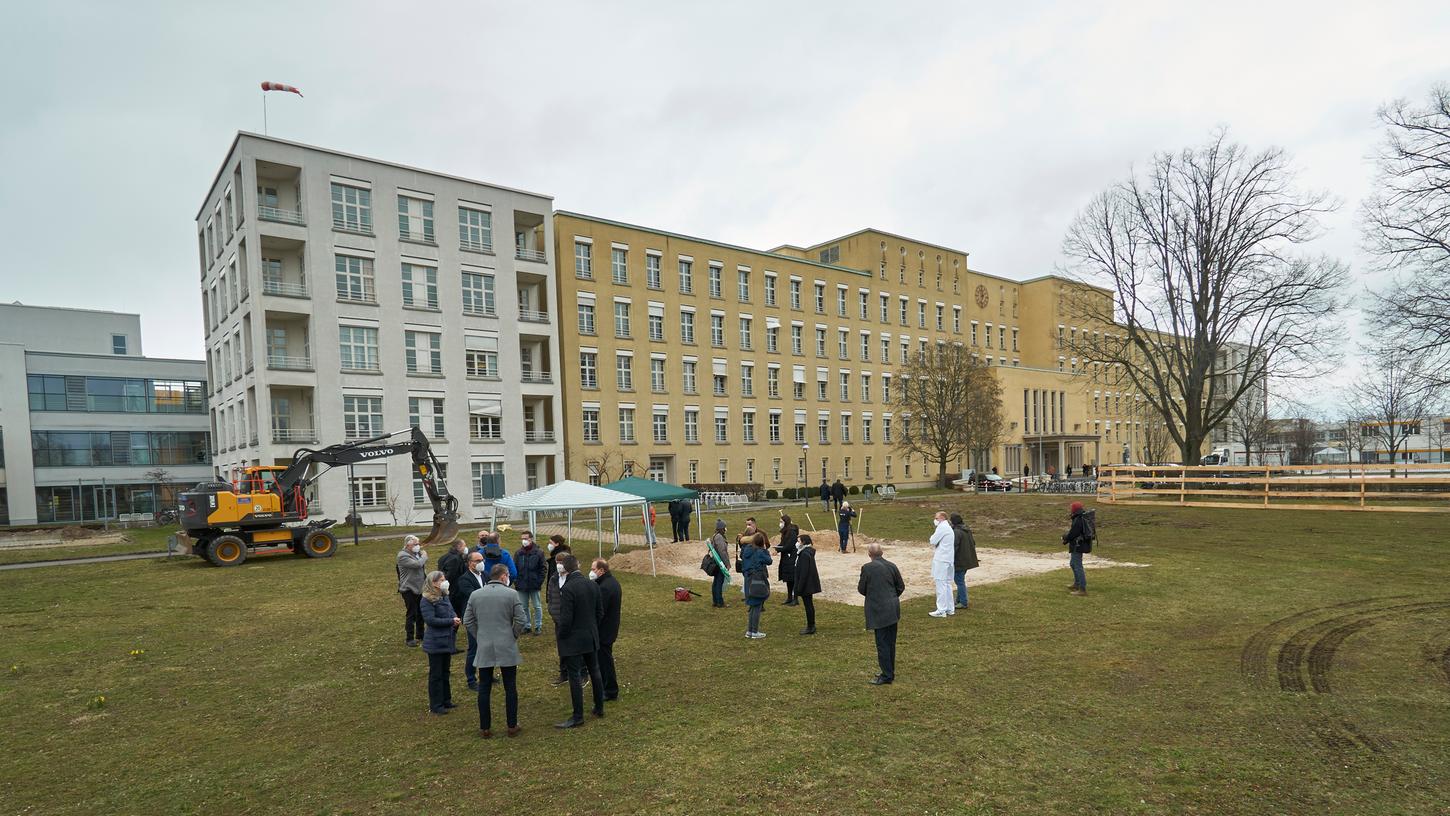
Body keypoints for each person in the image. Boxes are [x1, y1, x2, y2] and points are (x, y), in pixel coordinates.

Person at [463, 563, 527, 738]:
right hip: (506, 644)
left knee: (484, 687)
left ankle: (485, 727)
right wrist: (512, 635)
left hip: (485, 645)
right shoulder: (512, 594)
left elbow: (467, 620)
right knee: (510, 686)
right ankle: (512, 725)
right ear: (504, 576)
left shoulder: (475, 595)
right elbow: (521, 619)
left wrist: (480, 636)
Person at [555, 554, 605, 728]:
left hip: (573, 639)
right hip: (590, 636)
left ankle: (578, 716)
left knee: (574, 676)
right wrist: (592, 628)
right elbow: (600, 612)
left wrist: (562, 634)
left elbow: (566, 618)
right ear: (578, 566)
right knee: (595, 671)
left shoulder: (568, 589)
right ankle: (599, 706)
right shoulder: (592, 585)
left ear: (566, 569)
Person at [858, 542, 905, 685]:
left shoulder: (867, 568)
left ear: (869, 554)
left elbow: (861, 589)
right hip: (893, 607)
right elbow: (900, 586)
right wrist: (891, 597)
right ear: (882, 553)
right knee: (891, 642)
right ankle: (889, 670)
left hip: (879, 609)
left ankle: (886, 675)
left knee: (882, 643)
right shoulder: (892, 565)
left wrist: (876, 597)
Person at [419, 570, 460, 714]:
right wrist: (451, 621)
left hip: (446, 640)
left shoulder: (444, 595)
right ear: (434, 583)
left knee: (445, 672)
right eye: (441, 580)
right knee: (436, 675)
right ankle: (436, 705)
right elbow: (430, 620)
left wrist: (454, 617)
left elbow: (451, 611)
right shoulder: (426, 600)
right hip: (435, 642)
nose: (444, 582)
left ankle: (446, 700)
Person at [451, 551, 488, 690]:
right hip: (473, 618)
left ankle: (487, 674)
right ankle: (471, 679)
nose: (481, 563)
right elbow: (474, 596)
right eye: (477, 561)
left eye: (482, 560)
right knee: (474, 648)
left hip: (487, 616)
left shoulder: (485, 575)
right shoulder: (464, 579)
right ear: (469, 563)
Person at [592, 558, 622, 701]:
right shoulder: (612, 582)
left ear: (601, 570)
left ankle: (610, 689)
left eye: (593, 569)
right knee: (604, 660)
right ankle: (607, 687)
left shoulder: (604, 587)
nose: (591, 572)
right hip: (609, 628)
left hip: (605, 631)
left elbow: (600, 611)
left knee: (605, 661)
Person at [545, 536, 573, 686]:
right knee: (562, 647)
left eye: (562, 563)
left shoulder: (575, 580)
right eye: (557, 563)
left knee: (576, 647)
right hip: (559, 620)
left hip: (573, 620)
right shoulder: (554, 579)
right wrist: (556, 616)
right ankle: (564, 672)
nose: (559, 565)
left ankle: (582, 672)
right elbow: (551, 598)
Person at [738, 527, 773, 639]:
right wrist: (764, 549)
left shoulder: (747, 550)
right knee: (757, 606)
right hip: (757, 579)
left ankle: (749, 631)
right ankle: (754, 631)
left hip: (748, 580)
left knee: (752, 606)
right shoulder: (760, 552)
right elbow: (769, 561)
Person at [513, 530, 547, 635]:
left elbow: (543, 568)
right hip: (521, 585)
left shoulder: (539, 552)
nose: (524, 541)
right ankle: (527, 625)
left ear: (531, 539)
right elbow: (514, 568)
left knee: (537, 606)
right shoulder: (518, 553)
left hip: (534, 584)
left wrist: (539, 582)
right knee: (523, 606)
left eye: (526, 539)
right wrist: (516, 581)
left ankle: (538, 626)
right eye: (522, 539)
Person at [396, 535, 428, 647]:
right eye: (415, 544)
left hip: (420, 588)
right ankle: (409, 638)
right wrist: (424, 556)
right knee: (411, 613)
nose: (418, 546)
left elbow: (422, 570)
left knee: (421, 612)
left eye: (418, 544)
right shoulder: (402, 556)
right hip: (408, 589)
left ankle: (421, 634)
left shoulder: (417, 554)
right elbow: (417, 565)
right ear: (408, 545)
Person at [928, 511, 955, 618]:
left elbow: (932, 540)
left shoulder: (942, 527)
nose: (935, 520)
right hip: (948, 559)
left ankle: (941, 610)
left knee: (941, 584)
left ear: (942, 518)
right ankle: (949, 608)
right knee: (947, 584)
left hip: (942, 559)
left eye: (937, 518)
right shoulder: (948, 528)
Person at [794, 534, 822, 635]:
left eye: (799, 541)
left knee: (808, 605)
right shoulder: (805, 552)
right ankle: (811, 625)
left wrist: (799, 587)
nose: (797, 543)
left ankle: (811, 626)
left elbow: (804, 572)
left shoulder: (805, 554)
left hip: (806, 584)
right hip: (808, 583)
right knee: (809, 604)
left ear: (803, 542)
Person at [951, 513, 980, 610]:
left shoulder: (956, 532)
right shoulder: (967, 529)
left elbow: (954, 547)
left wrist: (950, 558)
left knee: (959, 581)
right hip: (967, 559)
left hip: (960, 560)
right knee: (960, 580)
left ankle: (963, 602)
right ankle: (959, 600)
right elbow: (973, 543)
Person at [1063, 501, 1091, 596]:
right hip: (1079, 544)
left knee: (1077, 566)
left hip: (1077, 545)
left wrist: (1065, 537)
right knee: (1073, 564)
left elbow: (1073, 533)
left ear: (1074, 509)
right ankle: (1077, 584)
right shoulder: (1081, 517)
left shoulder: (1078, 519)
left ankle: (1082, 589)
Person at [774, 514, 799, 605]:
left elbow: (789, 546)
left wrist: (779, 549)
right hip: (786, 557)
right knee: (788, 579)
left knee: (793, 578)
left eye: (781, 522)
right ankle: (789, 597)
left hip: (791, 558)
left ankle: (795, 598)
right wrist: (777, 548)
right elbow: (783, 543)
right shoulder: (785, 532)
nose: (780, 524)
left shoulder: (792, 532)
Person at [707, 520, 731, 608]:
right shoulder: (719, 537)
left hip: (716, 562)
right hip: (720, 563)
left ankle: (715, 601)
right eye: (724, 527)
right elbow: (722, 552)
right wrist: (727, 564)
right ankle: (720, 602)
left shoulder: (715, 536)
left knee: (716, 582)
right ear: (721, 528)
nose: (725, 529)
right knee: (719, 583)